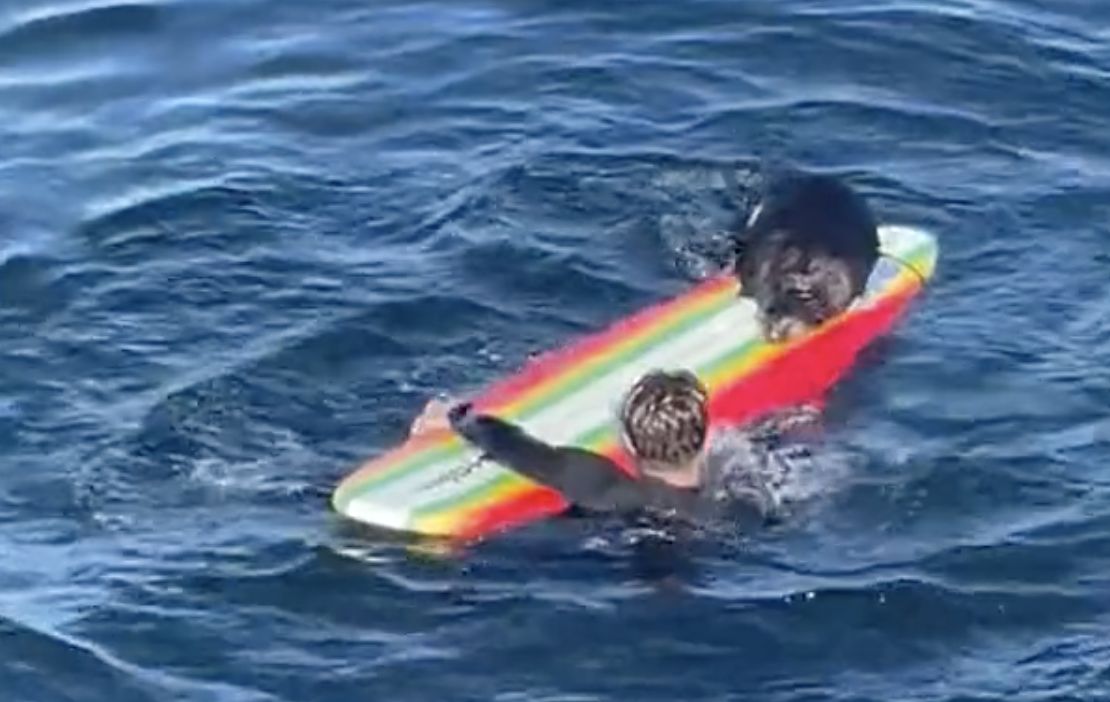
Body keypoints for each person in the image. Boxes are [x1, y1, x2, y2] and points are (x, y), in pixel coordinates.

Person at [410, 370, 799, 527]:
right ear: (705, 436)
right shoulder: (738, 501)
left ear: (627, 442)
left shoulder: (598, 482)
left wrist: (458, 417)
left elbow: (512, 444)